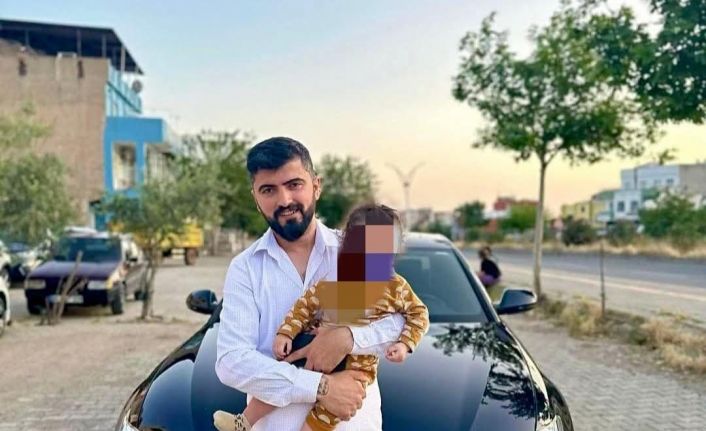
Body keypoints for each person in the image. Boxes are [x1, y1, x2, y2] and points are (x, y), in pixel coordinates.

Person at [213, 137, 406, 431]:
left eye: (294, 184)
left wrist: (347, 339)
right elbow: (232, 361)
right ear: (255, 197)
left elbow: (400, 321)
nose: (284, 200)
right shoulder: (245, 268)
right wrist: (320, 386)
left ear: (316, 185)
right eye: (268, 190)